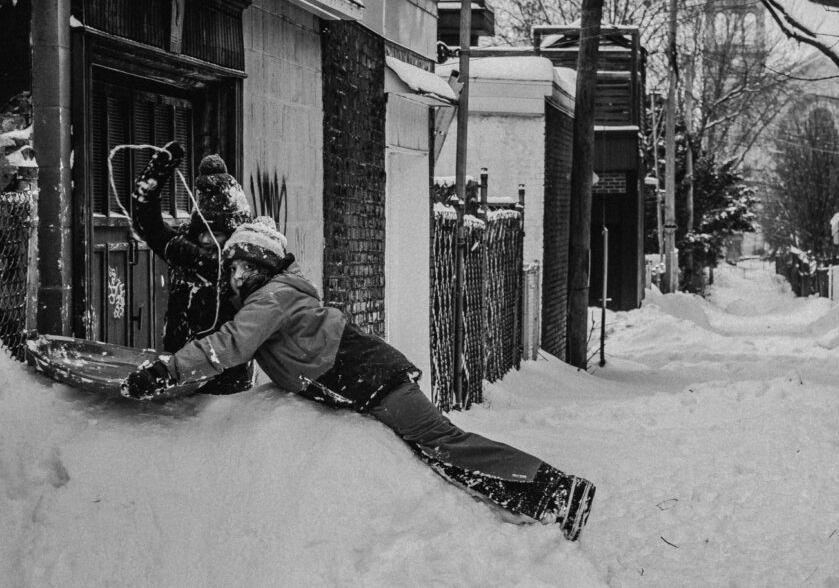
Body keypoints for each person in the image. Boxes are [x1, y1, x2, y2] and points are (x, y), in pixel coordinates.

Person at [121, 217, 597, 541]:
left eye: (241, 266)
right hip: (365, 380)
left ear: (260, 265)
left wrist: (167, 370)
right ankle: (543, 502)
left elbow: (229, 344)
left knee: (443, 442)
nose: (234, 276)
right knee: (438, 451)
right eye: (234, 268)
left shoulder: (270, 299)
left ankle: (557, 491)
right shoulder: (272, 297)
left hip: (372, 379)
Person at [131, 142, 255, 394]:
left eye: (216, 233)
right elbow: (149, 227)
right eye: (201, 233)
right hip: (176, 375)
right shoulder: (186, 253)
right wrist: (152, 182)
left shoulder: (247, 272)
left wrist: (193, 257)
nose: (206, 240)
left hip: (227, 387)